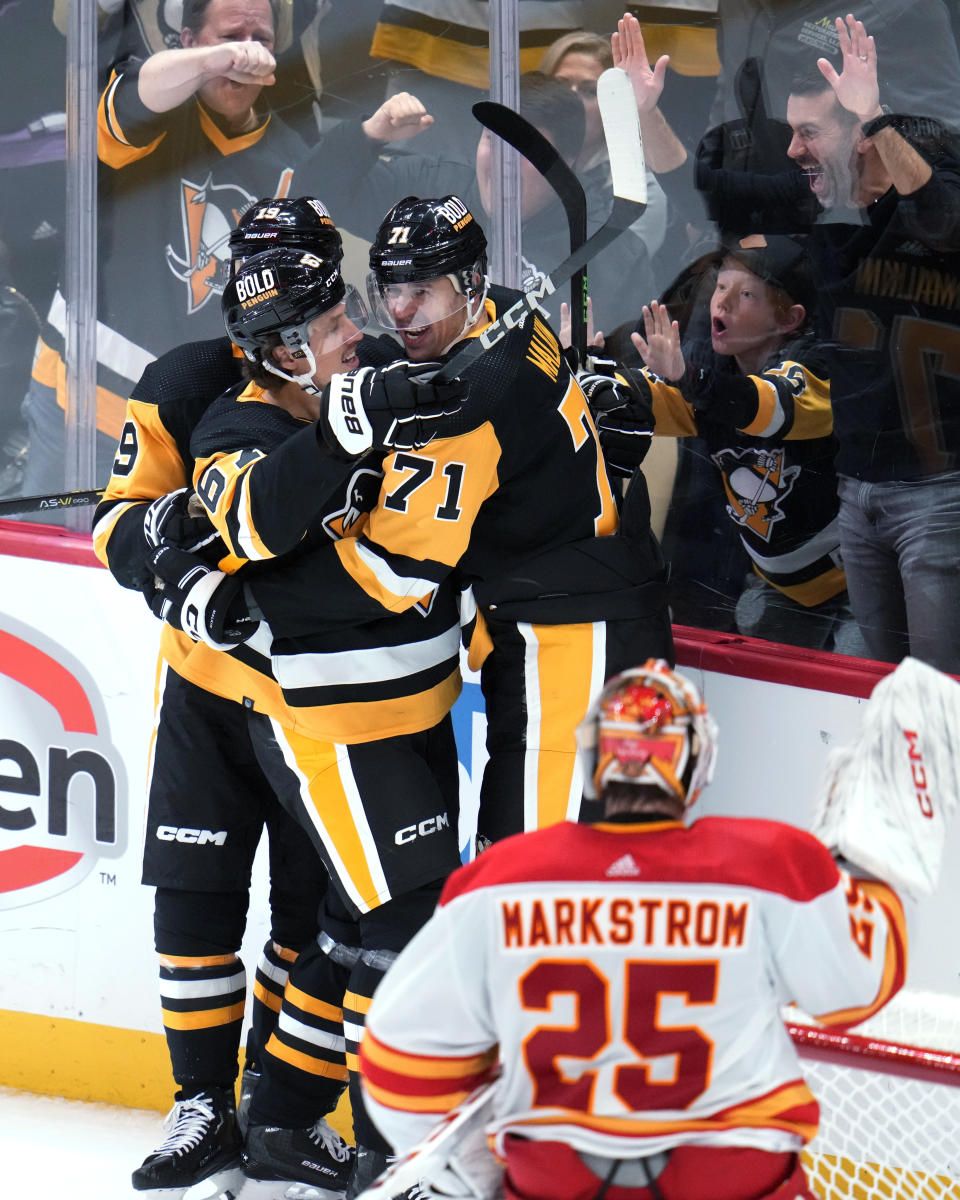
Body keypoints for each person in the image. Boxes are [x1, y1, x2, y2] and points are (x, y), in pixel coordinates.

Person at [148, 192, 674, 1192]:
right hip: (448, 679)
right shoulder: (501, 327)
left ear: (470, 285)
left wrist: (235, 600)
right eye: (383, 289)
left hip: (573, 652)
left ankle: (507, 1142)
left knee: (529, 906)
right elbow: (253, 503)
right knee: (400, 922)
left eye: (419, 288)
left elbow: (395, 576)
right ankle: (337, 1127)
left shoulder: (457, 395)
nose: (395, 313)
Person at [92, 195, 446, 1198]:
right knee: (197, 896)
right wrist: (183, 574)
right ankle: (203, 1105)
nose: (343, 314)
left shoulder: (366, 368)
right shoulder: (190, 386)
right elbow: (117, 527)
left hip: (305, 706)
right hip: (213, 693)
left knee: (308, 909)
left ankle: (273, 1111)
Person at [358, 659, 908, 1200]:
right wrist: (866, 867)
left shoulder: (498, 882)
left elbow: (399, 1063)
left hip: (558, 1177)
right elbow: (856, 992)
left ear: (595, 757)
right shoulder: (771, 864)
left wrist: (479, 1173)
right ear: (698, 761)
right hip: (731, 1177)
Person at [22, 0, 306, 510]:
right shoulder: (152, 106)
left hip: (187, 432)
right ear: (189, 41)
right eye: (228, 38)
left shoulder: (289, 157)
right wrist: (214, 62)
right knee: (48, 575)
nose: (244, 54)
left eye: (259, 40)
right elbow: (146, 86)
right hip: (80, 412)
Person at [597, 234, 869, 655]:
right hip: (781, 586)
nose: (720, 304)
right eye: (720, 286)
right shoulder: (711, 373)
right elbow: (648, 399)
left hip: (859, 588)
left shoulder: (819, 364)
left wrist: (688, 379)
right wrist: (581, 370)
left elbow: (766, 405)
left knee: (865, 693)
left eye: (745, 295)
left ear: (788, 319)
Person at [296, 72, 661, 333]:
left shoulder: (608, 252)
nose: (502, 164)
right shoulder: (432, 191)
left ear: (567, 164)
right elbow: (311, 202)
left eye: (523, 151)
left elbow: (635, 374)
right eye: (492, 141)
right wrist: (369, 135)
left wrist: (585, 366)